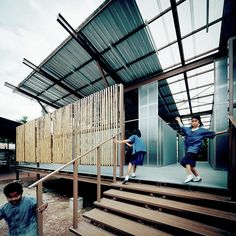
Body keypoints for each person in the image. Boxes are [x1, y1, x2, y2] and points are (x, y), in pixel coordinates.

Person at [175, 115, 227, 183]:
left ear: (199, 123)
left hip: (194, 149)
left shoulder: (202, 131)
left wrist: (225, 131)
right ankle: (198, 177)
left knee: (184, 161)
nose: (193, 122)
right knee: (191, 166)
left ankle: (189, 175)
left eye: (195, 121)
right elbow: (182, 126)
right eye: (192, 121)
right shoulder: (188, 130)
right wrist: (179, 120)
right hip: (189, 149)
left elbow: (213, 133)